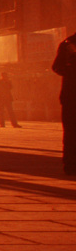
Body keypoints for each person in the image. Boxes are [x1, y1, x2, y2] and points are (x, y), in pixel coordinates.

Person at [53, 32, 76, 176]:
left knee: (71, 132)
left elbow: (56, 67)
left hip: (70, 95)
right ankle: (70, 164)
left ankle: (70, 164)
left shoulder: (67, 44)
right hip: (71, 95)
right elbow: (57, 67)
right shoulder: (68, 44)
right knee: (71, 131)